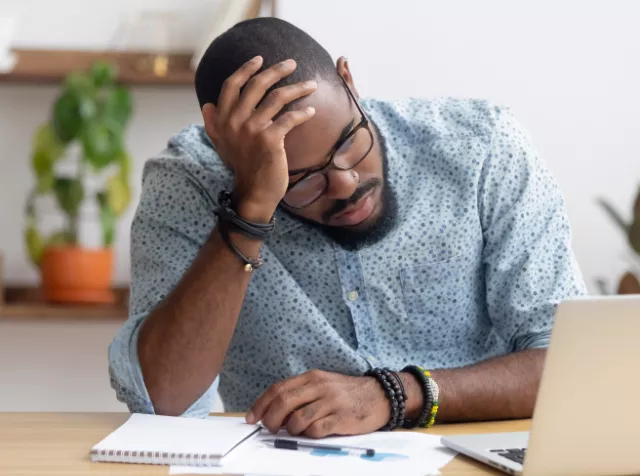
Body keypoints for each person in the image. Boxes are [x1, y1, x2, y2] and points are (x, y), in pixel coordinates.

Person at [108, 17, 585, 438]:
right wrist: (251, 206)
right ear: (224, 150)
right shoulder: (189, 181)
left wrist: (395, 395)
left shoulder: (482, 149)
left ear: (349, 81)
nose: (345, 183)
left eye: (349, 141)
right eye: (299, 180)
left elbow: (572, 366)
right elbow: (163, 400)